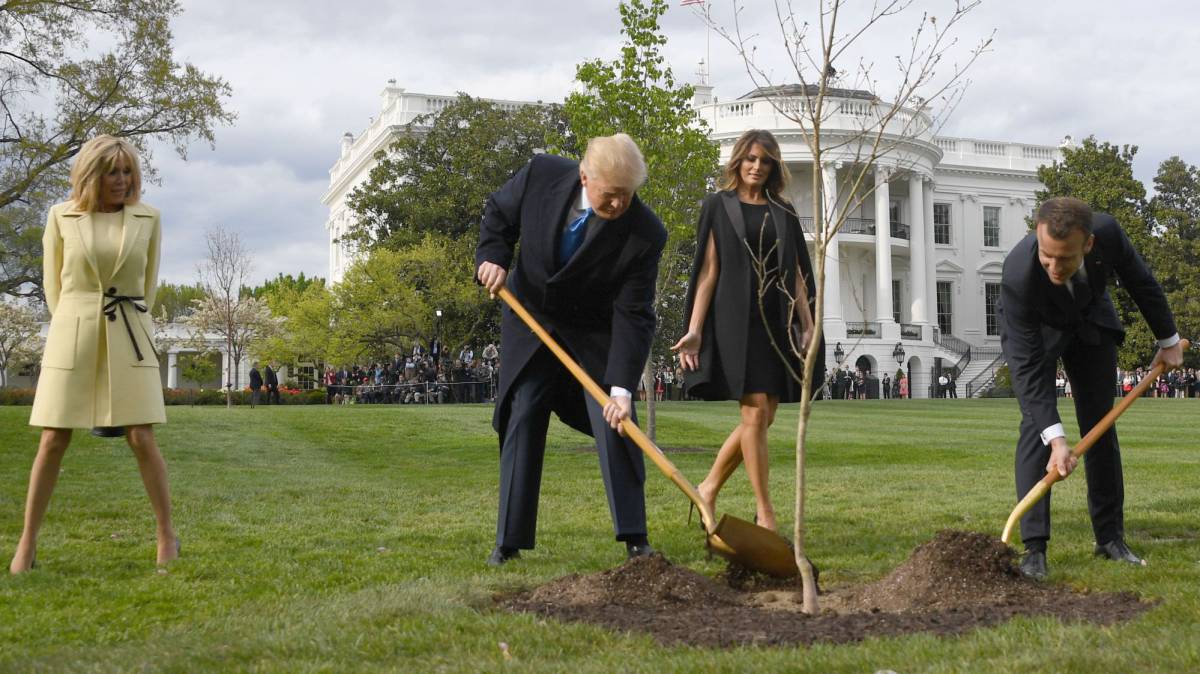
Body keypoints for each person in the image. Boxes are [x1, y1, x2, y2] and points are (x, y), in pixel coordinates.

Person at [475, 133, 666, 566]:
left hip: (593, 331)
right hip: (531, 317)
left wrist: (621, 387)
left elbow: (634, 312)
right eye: (610, 195)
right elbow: (499, 213)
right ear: (585, 176)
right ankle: (509, 540)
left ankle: (635, 537)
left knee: (616, 421)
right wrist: (493, 257)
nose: (619, 205)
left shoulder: (646, 233)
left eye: (627, 196)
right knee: (523, 411)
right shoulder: (542, 174)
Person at [10, 136, 178, 574]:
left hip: (131, 331)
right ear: (91, 174)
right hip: (74, 330)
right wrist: (78, 321)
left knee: (141, 437)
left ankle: (166, 534)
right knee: (52, 439)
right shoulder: (60, 217)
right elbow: (53, 288)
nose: (122, 181)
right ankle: (27, 542)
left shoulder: (150, 218)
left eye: (127, 172)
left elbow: (150, 283)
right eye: (111, 172)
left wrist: (130, 320)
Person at [1000, 196, 1183, 581]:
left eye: (1065, 259)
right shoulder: (1018, 274)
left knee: (1100, 426)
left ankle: (1110, 538)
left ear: (1089, 244)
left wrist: (1168, 341)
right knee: (1036, 428)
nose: (1053, 266)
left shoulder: (1109, 233)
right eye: (1047, 256)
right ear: (1038, 234)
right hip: (1040, 331)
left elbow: (1142, 283)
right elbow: (1026, 367)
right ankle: (1034, 548)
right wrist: (1056, 439)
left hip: (1091, 322)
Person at [673, 129, 822, 533]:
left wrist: (808, 325)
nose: (757, 167)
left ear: (774, 167)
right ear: (738, 161)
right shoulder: (718, 206)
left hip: (775, 319)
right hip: (735, 319)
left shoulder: (783, 210)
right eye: (751, 159)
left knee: (764, 416)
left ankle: (707, 487)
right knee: (754, 411)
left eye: (766, 161)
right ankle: (766, 513)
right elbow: (708, 272)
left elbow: (796, 274)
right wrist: (695, 330)